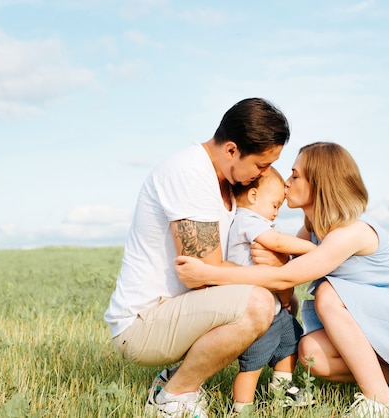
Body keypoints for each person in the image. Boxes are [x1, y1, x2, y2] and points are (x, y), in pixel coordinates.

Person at [174, 142, 389, 418]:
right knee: (310, 354)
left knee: (329, 294)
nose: (286, 182)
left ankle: (383, 403)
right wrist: (281, 265)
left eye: (295, 176)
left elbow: (288, 275)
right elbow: (286, 276)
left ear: (318, 184)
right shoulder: (312, 230)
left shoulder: (351, 233)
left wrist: (210, 273)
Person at [103, 98, 291, 418]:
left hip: (178, 312)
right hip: (143, 323)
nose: (264, 174)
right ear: (231, 150)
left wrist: (275, 265)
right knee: (258, 303)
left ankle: (170, 383)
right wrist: (277, 278)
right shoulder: (190, 173)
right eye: (261, 165)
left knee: (261, 300)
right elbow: (205, 276)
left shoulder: (230, 182)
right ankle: (173, 398)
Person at [227, 166, 317, 414]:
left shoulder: (258, 221)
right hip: (256, 312)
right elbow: (277, 242)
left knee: (290, 343)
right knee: (253, 363)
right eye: (275, 205)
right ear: (254, 196)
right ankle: (241, 407)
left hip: (275, 309)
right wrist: (317, 250)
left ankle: (282, 389)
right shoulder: (246, 220)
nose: (277, 213)